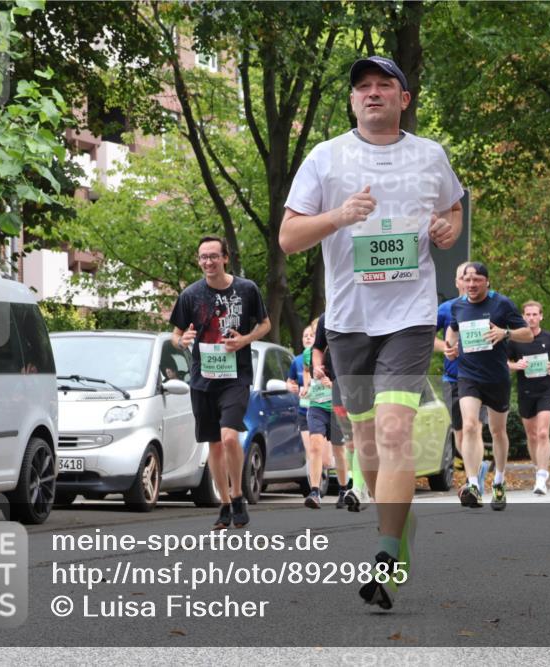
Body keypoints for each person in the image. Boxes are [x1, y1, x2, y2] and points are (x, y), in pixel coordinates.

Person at [280, 55, 463, 610]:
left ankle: (384, 553)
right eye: (363, 87)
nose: (373, 92)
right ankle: (398, 530)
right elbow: (289, 237)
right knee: (366, 445)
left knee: (392, 432)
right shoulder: (326, 157)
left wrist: (445, 229)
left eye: (385, 85)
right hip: (348, 323)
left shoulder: (430, 155)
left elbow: (454, 212)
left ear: (404, 99)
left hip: (409, 318)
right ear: (353, 101)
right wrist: (338, 216)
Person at [170, 236, 271, 530]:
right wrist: (182, 341)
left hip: (235, 377)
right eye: (203, 257)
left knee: (229, 436)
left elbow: (265, 324)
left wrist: (245, 340)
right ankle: (225, 504)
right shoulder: (190, 295)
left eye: (214, 256)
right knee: (213, 444)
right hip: (202, 379)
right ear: (198, 260)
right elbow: (176, 335)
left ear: (225, 257)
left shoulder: (246, 289)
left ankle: (238, 495)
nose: (208, 262)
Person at [445, 263, 531, 510]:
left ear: (487, 282)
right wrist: (451, 348)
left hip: (496, 377)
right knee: (470, 425)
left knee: (497, 431)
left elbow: (527, 334)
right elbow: (453, 329)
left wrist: (505, 333)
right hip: (468, 375)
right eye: (467, 279)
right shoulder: (458, 305)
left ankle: (500, 481)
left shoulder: (502, 304)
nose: (471, 284)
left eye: (477, 280)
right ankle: (473, 484)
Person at [508, 301, 550, 495]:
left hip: (546, 390)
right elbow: (505, 362)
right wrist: (516, 366)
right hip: (526, 391)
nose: (531, 318)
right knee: (532, 435)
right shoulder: (516, 339)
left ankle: (542, 476)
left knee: (542, 433)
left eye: (535, 314)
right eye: (528, 314)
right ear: (523, 317)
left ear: (541, 316)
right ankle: (537, 468)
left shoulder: (549, 338)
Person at [307, 314, 353, 509]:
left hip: (337, 405)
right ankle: (315, 492)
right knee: (315, 446)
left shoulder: (342, 351)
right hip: (317, 405)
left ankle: (343, 488)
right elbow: (306, 376)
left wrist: (331, 384)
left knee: (339, 451)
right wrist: (315, 372)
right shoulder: (313, 353)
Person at [435, 262, 470, 461]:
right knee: (460, 432)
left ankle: (473, 478)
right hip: (453, 379)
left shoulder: (490, 307)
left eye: (472, 278)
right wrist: (445, 348)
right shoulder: (446, 309)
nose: (468, 282)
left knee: (473, 427)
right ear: (457, 282)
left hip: (480, 377)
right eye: (464, 278)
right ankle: (472, 472)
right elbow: (426, 337)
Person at [287, 324, 315, 503]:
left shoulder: (326, 358)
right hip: (304, 409)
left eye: (311, 335)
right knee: (311, 450)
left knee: (327, 458)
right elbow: (289, 382)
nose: (307, 338)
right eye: (305, 336)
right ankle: (315, 489)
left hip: (324, 408)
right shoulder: (296, 361)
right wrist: (289, 387)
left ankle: (343, 484)